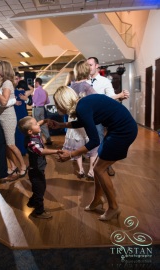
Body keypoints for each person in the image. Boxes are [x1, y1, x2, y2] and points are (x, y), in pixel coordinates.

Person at [49, 86, 138, 221]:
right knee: (97, 167)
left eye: (56, 103)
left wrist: (71, 154)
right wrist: (61, 125)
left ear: (62, 101)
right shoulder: (82, 104)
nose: (56, 106)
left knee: (99, 168)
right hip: (119, 129)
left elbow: (94, 141)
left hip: (123, 131)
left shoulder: (82, 108)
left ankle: (114, 207)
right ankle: (97, 199)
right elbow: (83, 122)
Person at [87, 57, 130, 177]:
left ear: (97, 66)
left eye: (90, 65)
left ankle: (105, 165)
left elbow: (110, 96)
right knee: (89, 141)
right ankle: (93, 166)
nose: (88, 67)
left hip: (99, 117)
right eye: (87, 65)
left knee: (99, 140)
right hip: (86, 116)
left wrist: (120, 96)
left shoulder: (104, 81)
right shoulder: (84, 80)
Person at [0, 60, 27, 178]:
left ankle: (23, 166)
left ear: (3, 70)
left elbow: (3, 102)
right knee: (4, 144)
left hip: (8, 117)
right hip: (0, 116)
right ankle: (13, 166)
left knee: (10, 144)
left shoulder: (7, 83)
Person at [18, 116, 62, 219]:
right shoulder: (31, 142)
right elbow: (41, 151)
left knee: (39, 189)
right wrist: (56, 151)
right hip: (36, 171)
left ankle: (32, 202)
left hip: (39, 169)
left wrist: (46, 120)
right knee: (40, 191)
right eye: (36, 124)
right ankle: (39, 212)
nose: (38, 124)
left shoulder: (34, 133)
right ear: (30, 131)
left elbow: (39, 122)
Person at [63, 62, 98, 179]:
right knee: (92, 144)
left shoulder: (70, 86)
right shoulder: (87, 86)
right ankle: (91, 171)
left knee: (77, 145)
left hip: (73, 118)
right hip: (86, 117)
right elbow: (96, 100)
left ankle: (81, 170)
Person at [32, 77, 52, 145]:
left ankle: (39, 140)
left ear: (37, 83)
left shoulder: (36, 90)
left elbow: (34, 100)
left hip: (36, 109)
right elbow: (47, 101)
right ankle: (48, 139)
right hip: (42, 108)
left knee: (37, 124)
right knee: (43, 124)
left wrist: (32, 96)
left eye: (34, 82)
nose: (33, 84)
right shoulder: (44, 91)